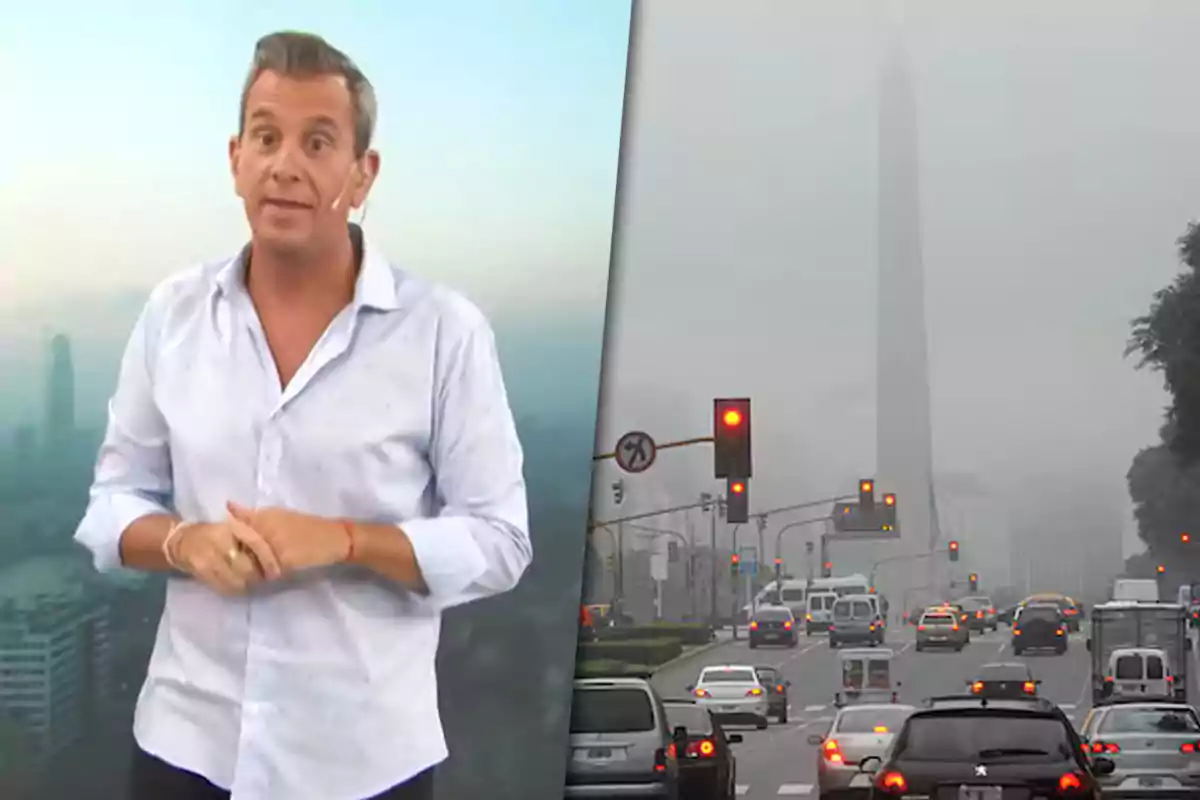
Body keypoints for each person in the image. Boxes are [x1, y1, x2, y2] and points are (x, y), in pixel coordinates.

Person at [74, 30, 531, 800]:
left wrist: (346, 540)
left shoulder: (444, 332)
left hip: (363, 764)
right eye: (266, 137)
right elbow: (112, 505)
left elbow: (501, 540)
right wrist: (185, 543)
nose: (285, 163)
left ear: (362, 175)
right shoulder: (173, 315)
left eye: (317, 142)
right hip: (186, 749)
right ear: (235, 160)